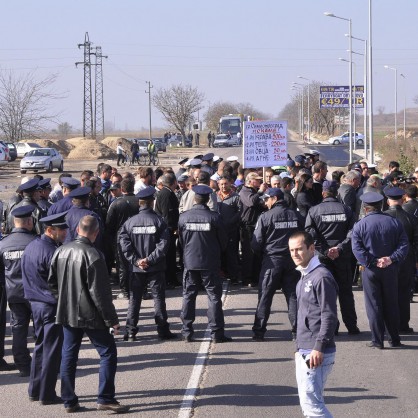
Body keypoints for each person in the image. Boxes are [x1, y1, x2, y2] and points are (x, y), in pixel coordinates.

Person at [48, 216, 129, 413]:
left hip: (67, 312)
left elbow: (52, 283)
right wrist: (113, 321)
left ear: (77, 230)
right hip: (90, 314)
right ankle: (105, 397)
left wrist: (64, 300)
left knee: (69, 355)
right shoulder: (94, 255)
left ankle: (69, 400)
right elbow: (100, 294)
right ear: (96, 233)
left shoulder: (60, 250)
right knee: (108, 352)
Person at [289, 231, 338, 418]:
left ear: (312, 248)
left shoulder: (321, 277)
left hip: (316, 351)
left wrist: (318, 347)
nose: (295, 254)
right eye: (292, 250)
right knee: (309, 405)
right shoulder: (305, 275)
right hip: (304, 349)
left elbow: (329, 315)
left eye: (299, 249)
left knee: (313, 408)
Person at [21, 211, 68, 404]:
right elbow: (61, 283)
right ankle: (46, 394)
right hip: (50, 306)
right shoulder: (52, 252)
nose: (65, 232)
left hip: (36, 305)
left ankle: (35, 389)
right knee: (51, 351)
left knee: (41, 348)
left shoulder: (32, 246)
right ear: (50, 230)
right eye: (61, 229)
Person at [352, 192, 409, 349]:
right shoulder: (394, 222)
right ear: (381, 205)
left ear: (365, 208)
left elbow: (357, 248)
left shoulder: (360, 225)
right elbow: (404, 245)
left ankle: (377, 340)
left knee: (374, 305)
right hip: (390, 268)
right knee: (391, 303)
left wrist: (372, 261)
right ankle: (394, 339)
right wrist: (390, 258)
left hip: (370, 269)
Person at [119, 187, 176, 341]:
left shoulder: (129, 223)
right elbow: (163, 245)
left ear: (140, 203)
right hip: (155, 267)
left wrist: (137, 260)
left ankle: (130, 331)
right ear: (151, 203)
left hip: (137, 268)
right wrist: (149, 260)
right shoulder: (159, 221)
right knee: (158, 298)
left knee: (135, 299)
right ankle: (163, 330)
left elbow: (124, 244)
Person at [305, 180, 360, 335]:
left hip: (323, 258)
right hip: (342, 257)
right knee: (345, 292)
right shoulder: (346, 210)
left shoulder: (314, 211)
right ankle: (352, 326)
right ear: (336, 193)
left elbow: (310, 233)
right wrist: (340, 248)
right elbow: (353, 233)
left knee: (325, 294)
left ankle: (331, 327)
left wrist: (325, 249)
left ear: (323, 193)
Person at [178, 185, 232, 343]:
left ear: (194, 199)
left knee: (189, 296)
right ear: (208, 199)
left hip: (190, 262)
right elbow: (223, 241)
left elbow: (181, 241)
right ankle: (217, 333)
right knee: (214, 297)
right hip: (210, 262)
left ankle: (187, 332)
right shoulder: (214, 217)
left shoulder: (183, 217)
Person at [251, 188, 302, 341]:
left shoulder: (265, 217)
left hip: (272, 261)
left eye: (266, 199)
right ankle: (297, 331)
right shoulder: (296, 215)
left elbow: (256, 243)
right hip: (292, 261)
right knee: (293, 296)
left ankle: (259, 332)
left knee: (265, 297)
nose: (265, 203)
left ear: (274, 198)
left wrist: (262, 254)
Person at [0, 205, 37, 377]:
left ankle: (22, 364)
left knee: (18, 328)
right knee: (41, 329)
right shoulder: (36, 242)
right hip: (35, 293)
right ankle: (42, 362)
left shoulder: (3, 244)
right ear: (29, 222)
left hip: (14, 293)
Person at [383, 187, 418, 333]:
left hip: (386, 259)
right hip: (406, 258)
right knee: (404, 292)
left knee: (386, 292)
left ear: (387, 201)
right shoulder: (411, 218)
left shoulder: (383, 217)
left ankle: (388, 325)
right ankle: (403, 324)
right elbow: (416, 241)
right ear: (402, 199)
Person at [105, 178, 139, 299]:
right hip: (138, 236)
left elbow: (109, 224)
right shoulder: (139, 201)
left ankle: (125, 291)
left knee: (123, 266)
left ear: (122, 189)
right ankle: (141, 290)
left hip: (121, 238)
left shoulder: (116, 203)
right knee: (138, 262)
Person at [155, 173, 180, 287]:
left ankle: (172, 278)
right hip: (167, 231)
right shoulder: (166, 194)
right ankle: (169, 280)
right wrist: (173, 228)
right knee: (168, 256)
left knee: (171, 255)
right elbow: (167, 214)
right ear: (174, 182)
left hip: (169, 230)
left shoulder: (168, 192)